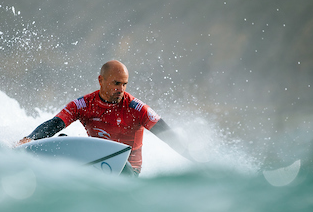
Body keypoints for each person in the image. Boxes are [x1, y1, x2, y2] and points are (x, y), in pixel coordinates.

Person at [16, 60, 188, 176]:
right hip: (96, 166)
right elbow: (56, 123)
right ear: (101, 80)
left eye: (124, 84)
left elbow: (168, 134)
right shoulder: (83, 105)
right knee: (61, 142)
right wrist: (30, 139)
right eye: (116, 83)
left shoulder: (137, 109)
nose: (121, 89)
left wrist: (194, 159)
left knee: (124, 165)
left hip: (129, 171)